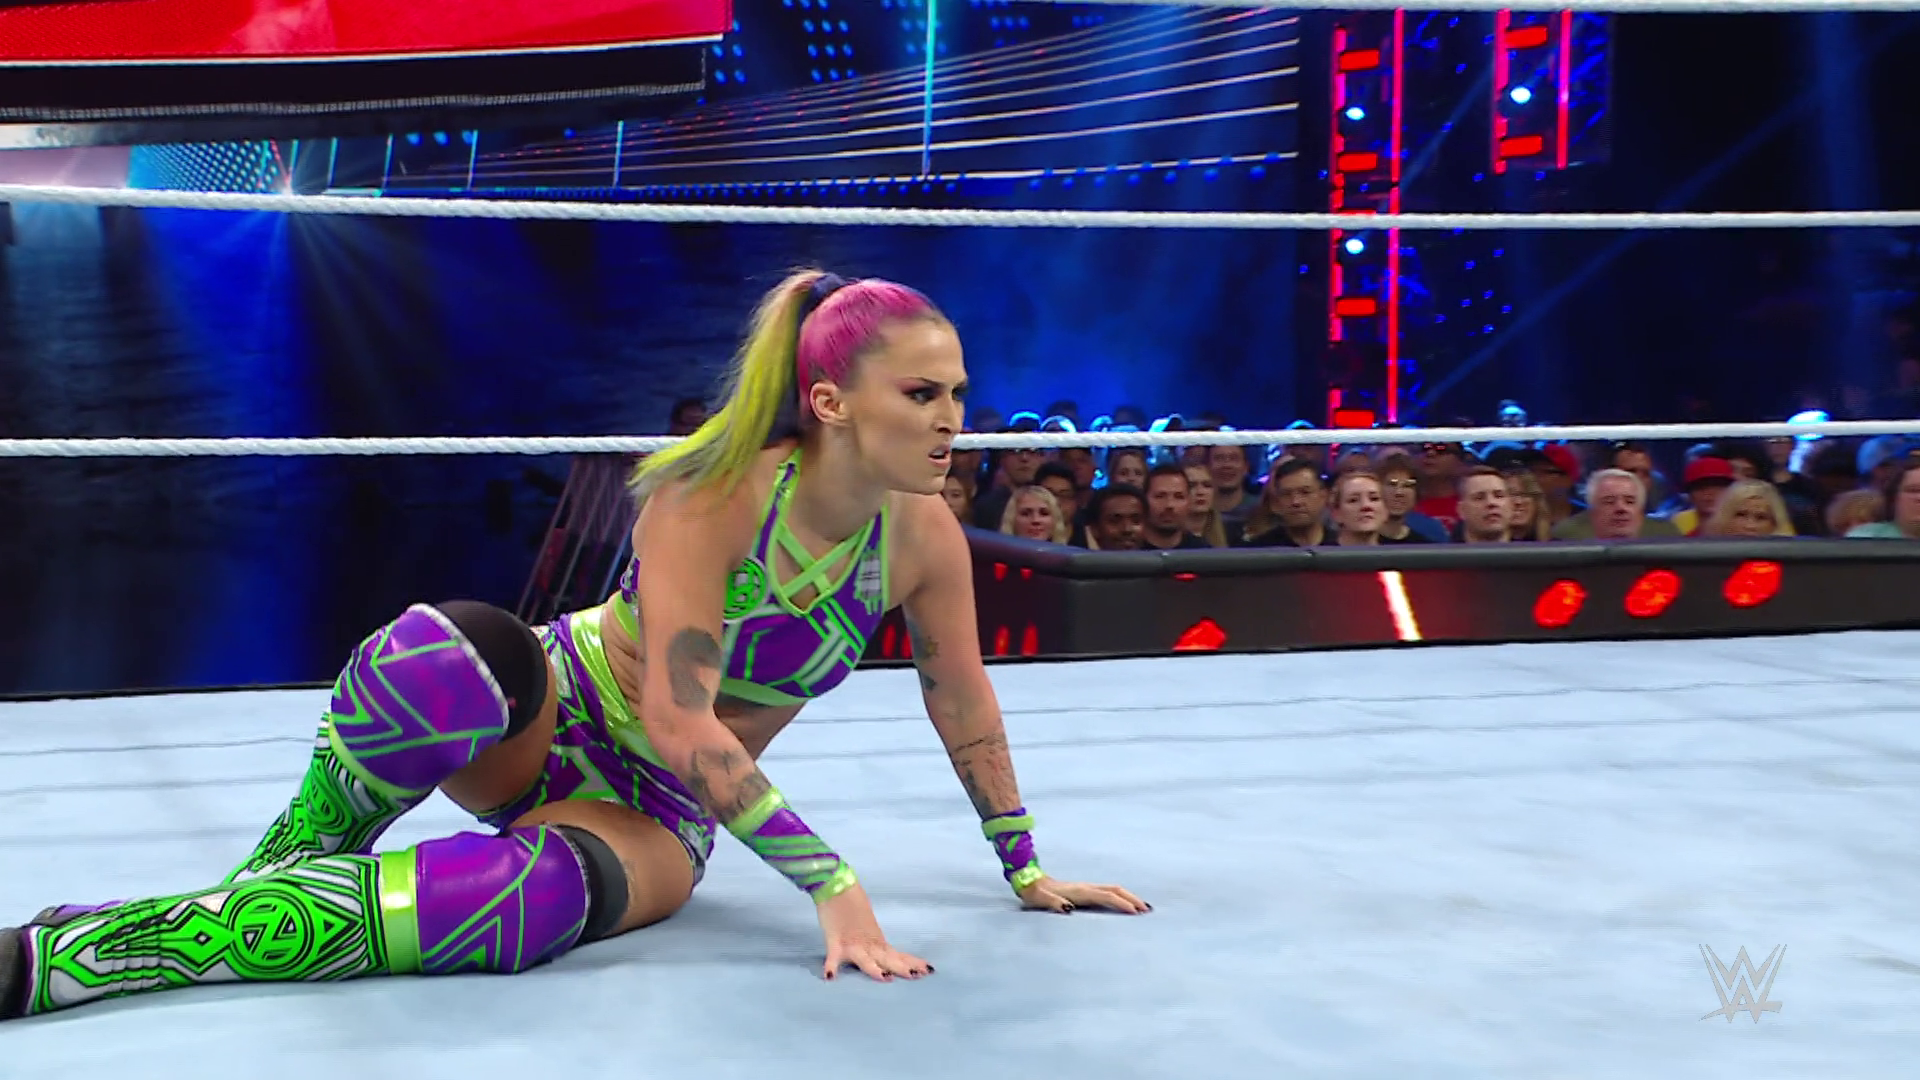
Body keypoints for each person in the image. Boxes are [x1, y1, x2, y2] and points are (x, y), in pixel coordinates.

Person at [0, 270, 1148, 1021]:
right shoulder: (710, 494)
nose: (952, 417)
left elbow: (961, 698)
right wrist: (831, 882)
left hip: (656, 812)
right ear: (832, 401)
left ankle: (96, 952)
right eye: (922, 391)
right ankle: (283, 866)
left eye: (958, 391)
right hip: (561, 708)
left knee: (519, 909)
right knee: (438, 657)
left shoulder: (923, 540)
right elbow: (677, 713)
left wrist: (1024, 864)